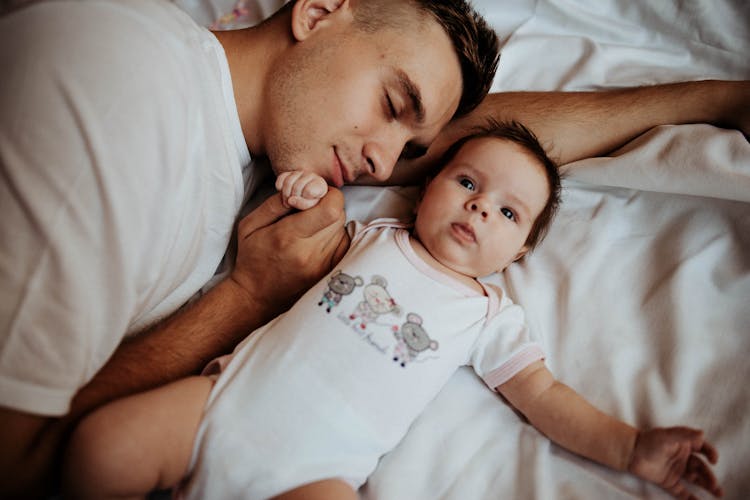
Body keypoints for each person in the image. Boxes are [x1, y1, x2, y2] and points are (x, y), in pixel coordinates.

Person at [0, 0, 746, 496]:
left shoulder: (273, 138)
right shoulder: (114, 97)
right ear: (320, 9)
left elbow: (491, 154)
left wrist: (714, 101)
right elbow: (19, 468)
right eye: (393, 106)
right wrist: (249, 297)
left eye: (412, 146)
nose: (386, 168)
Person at [63, 121, 723, 500]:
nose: (479, 206)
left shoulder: (489, 314)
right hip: (221, 404)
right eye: (468, 182)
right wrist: (308, 191)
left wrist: (631, 447)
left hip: (316, 474)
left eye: (508, 212)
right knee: (98, 449)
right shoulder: (375, 236)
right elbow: (307, 239)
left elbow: (545, 397)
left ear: (519, 249)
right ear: (428, 187)